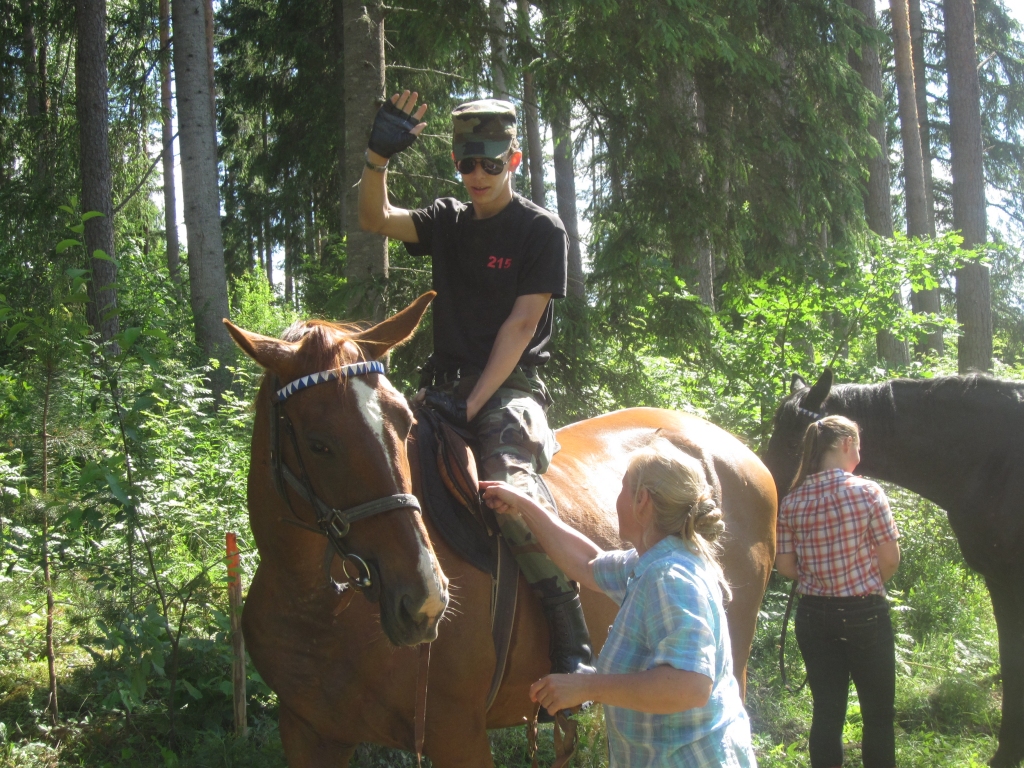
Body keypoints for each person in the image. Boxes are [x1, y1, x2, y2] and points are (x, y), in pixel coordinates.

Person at [358, 91, 594, 682]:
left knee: (509, 492)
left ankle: (568, 625)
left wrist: (472, 401)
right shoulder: (447, 221)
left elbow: (520, 327)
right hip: (440, 388)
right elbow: (375, 218)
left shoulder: (542, 230)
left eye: (491, 163)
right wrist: (376, 159)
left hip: (508, 390)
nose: (478, 176)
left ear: (514, 161)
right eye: (468, 164)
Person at [481, 438, 758, 767]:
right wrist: (523, 505)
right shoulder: (652, 563)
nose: (616, 499)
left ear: (642, 501)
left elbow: (690, 686)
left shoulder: (670, 578)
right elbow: (586, 563)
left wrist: (586, 686)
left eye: (623, 489)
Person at [775, 416, 901, 768]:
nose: (859, 453)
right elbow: (889, 559)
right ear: (846, 443)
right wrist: (861, 580)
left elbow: (785, 567)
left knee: (827, 714)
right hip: (865, 614)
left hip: (814, 616)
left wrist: (820, 577)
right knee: (877, 715)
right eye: (858, 445)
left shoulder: (793, 500)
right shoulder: (868, 492)